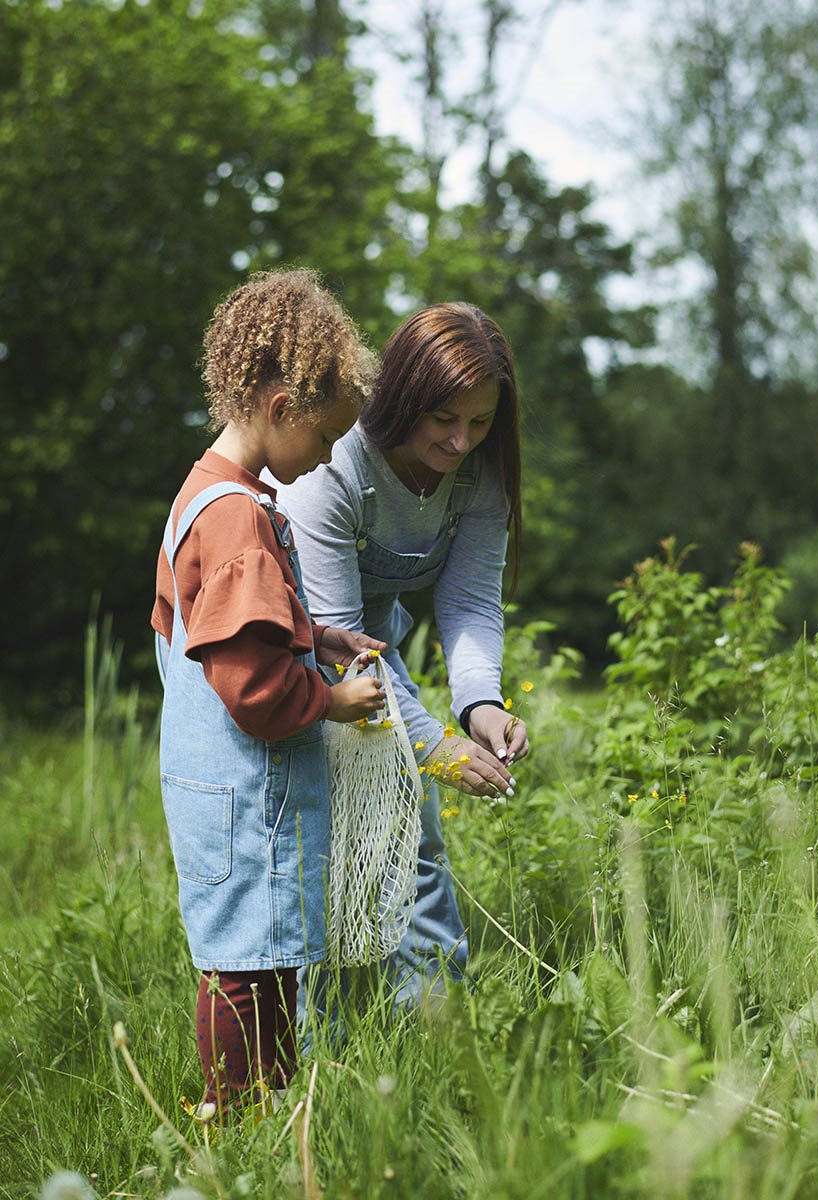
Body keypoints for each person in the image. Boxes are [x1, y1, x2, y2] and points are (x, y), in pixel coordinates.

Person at [151, 268, 387, 1111]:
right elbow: (250, 689)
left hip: (210, 791)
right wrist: (332, 699)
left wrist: (311, 635)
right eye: (324, 441)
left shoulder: (203, 495)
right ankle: (239, 1114)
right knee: (251, 971)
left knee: (249, 956)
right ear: (283, 408)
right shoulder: (242, 520)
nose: (326, 460)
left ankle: (262, 1108)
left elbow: (200, 627)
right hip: (252, 801)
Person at [277, 301, 530, 1006]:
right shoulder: (334, 465)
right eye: (444, 418)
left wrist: (479, 707)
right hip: (282, 645)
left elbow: (472, 603)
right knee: (307, 828)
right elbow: (334, 642)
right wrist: (434, 747)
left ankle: (438, 1029)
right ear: (406, 396)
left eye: (480, 423)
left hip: (367, 645)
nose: (459, 442)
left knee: (407, 823)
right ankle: (302, 1048)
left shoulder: (479, 476)